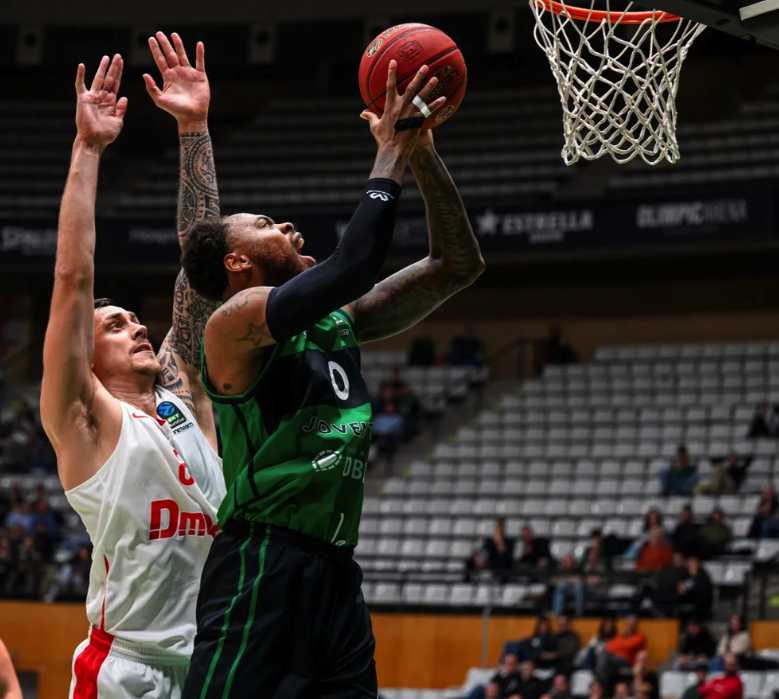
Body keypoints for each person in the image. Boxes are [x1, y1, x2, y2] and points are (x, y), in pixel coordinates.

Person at [178, 53, 482, 699]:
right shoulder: (233, 323)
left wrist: (422, 154)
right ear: (235, 260)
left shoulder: (336, 320)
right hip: (261, 561)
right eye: (265, 224)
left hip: (334, 567)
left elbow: (456, 265)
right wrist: (390, 150)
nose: (286, 225)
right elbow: (352, 263)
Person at [39, 37, 226, 699]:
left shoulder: (185, 394)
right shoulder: (86, 419)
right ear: (85, 361)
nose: (139, 325)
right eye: (114, 326)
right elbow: (71, 277)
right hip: (125, 674)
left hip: (210, 668)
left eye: (134, 318)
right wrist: (88, 150)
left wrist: (194, 128)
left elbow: (205, 268)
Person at [597, 616, 646, 689]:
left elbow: (631, 645)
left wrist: (620, 648)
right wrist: (622, 648)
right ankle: (602, 682)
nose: (631, 625)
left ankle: (601, 683)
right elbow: (609, 647)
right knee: (603, 654)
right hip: (615, 659)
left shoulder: (640, 636)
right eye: (629, 623)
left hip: (629, 661)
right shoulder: (621, 636)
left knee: (604, 656)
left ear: (636, 624)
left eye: (633, 623)